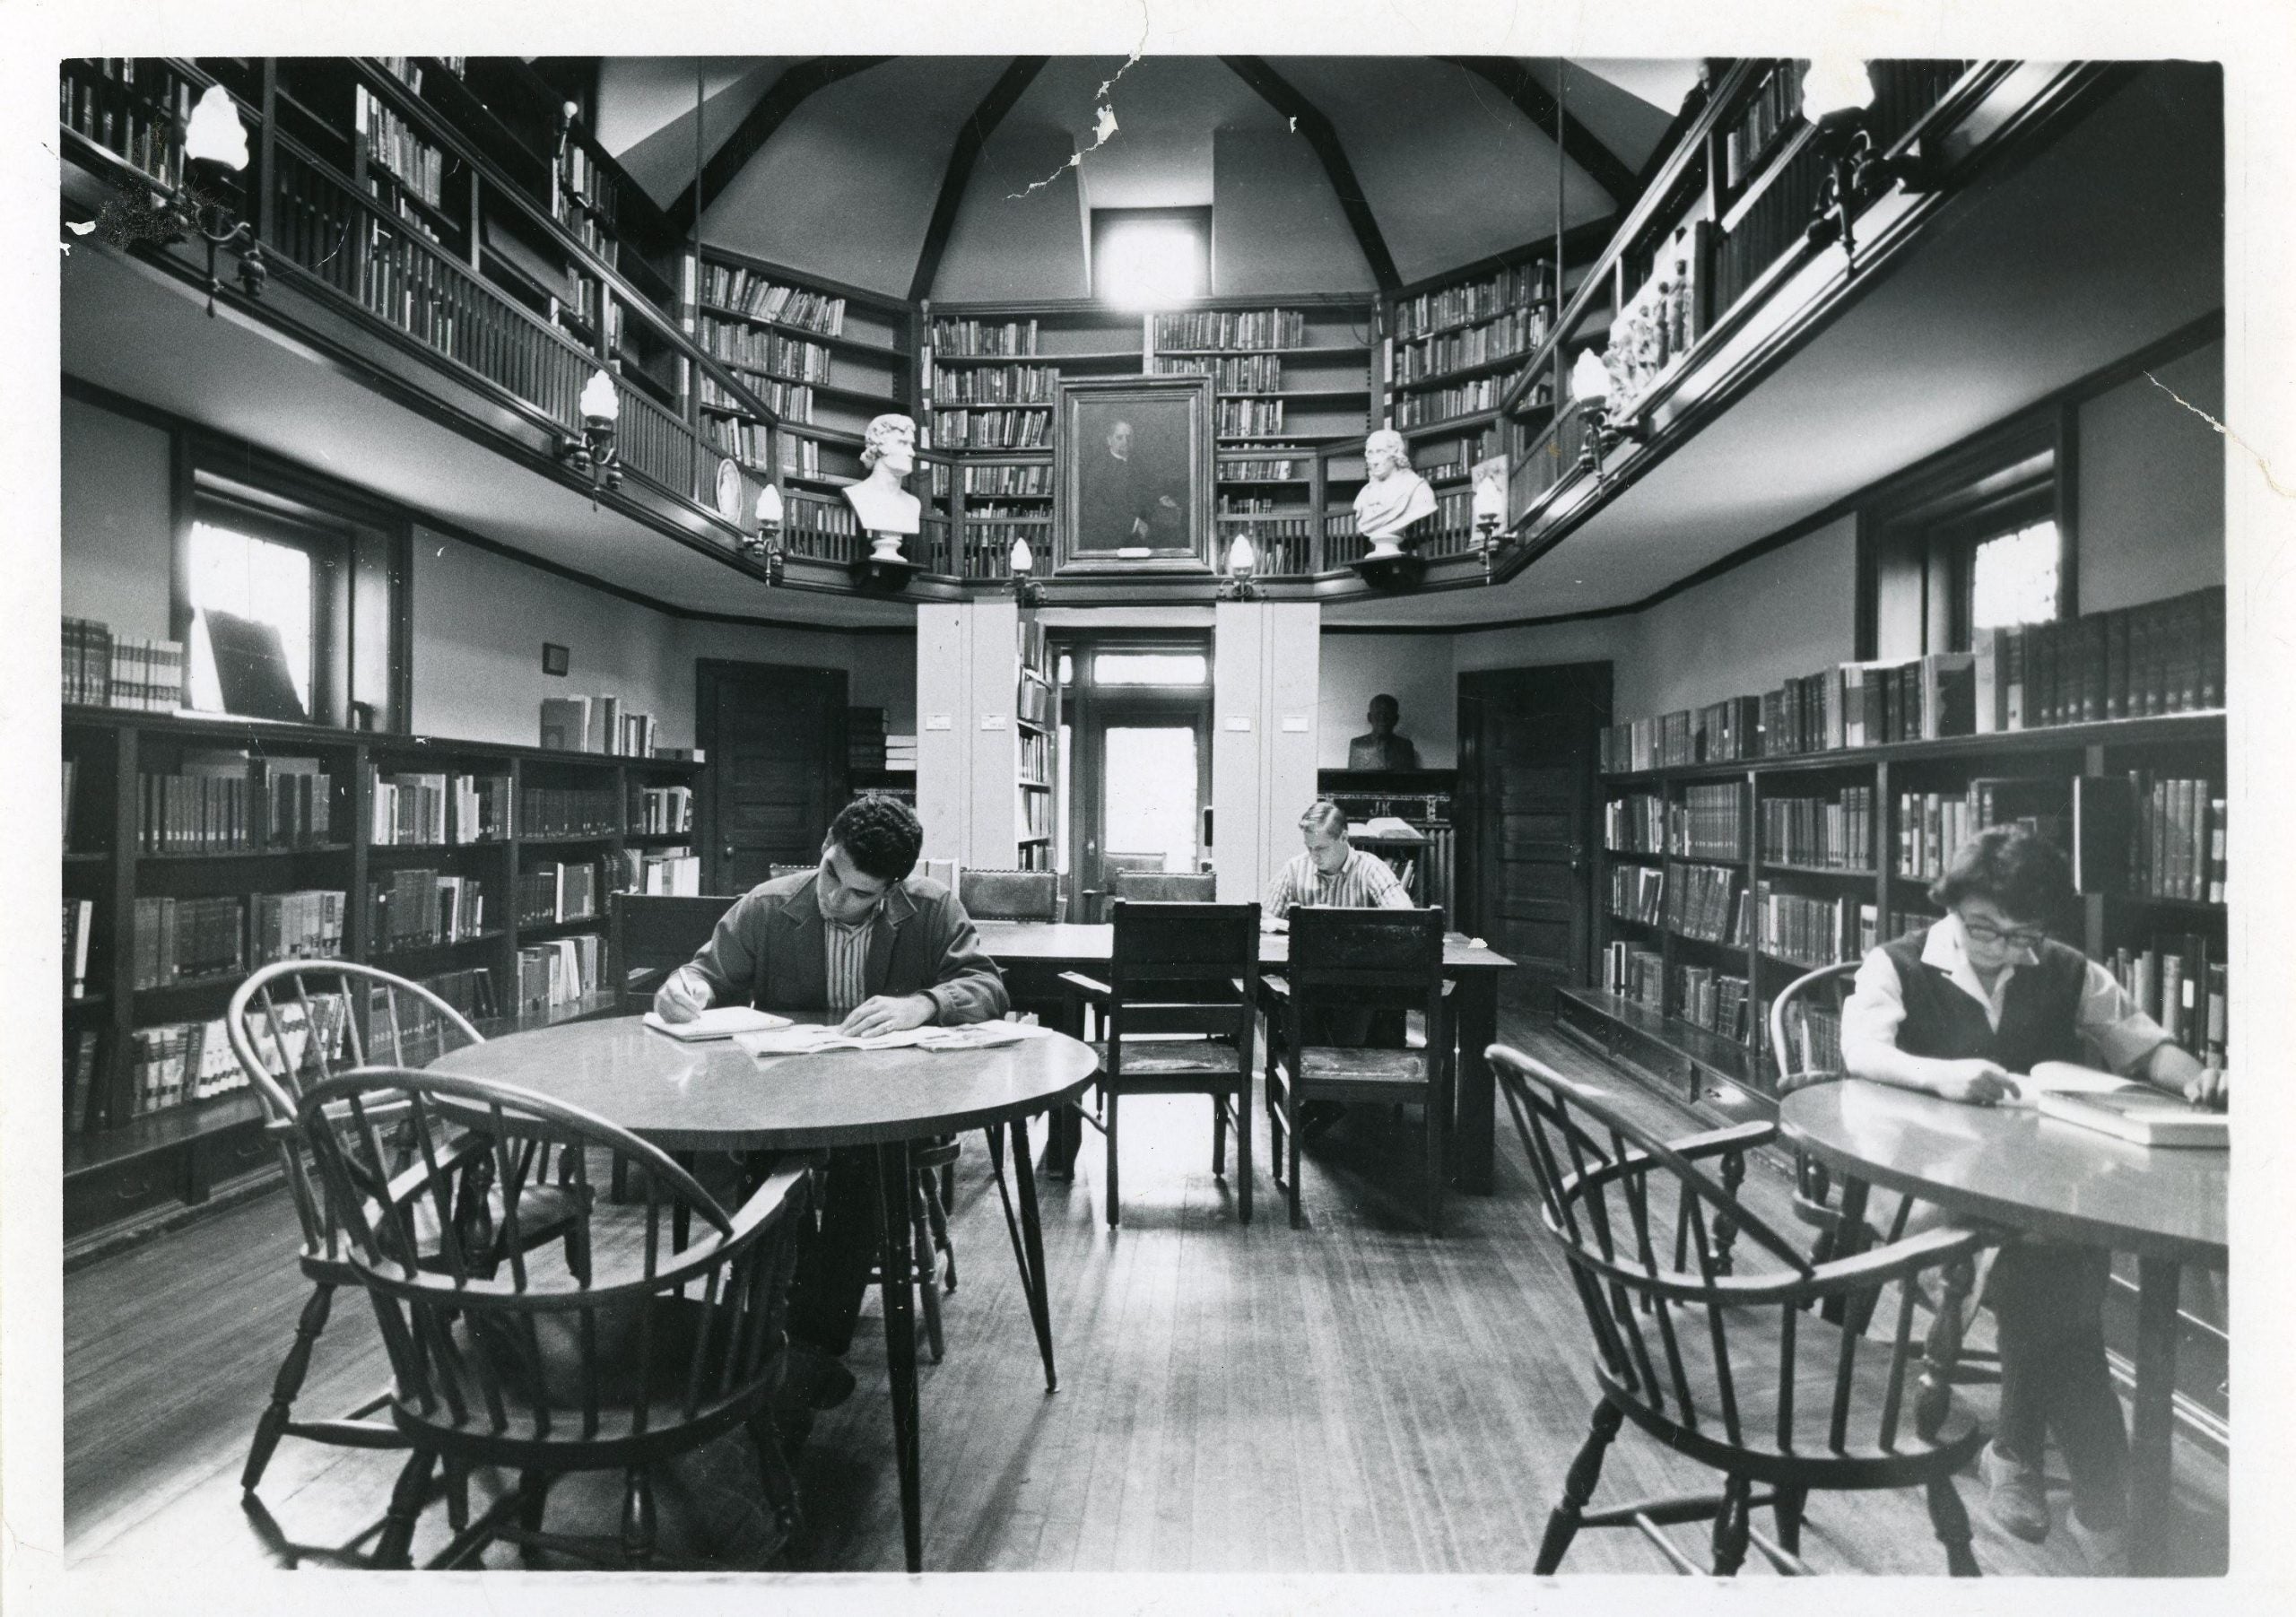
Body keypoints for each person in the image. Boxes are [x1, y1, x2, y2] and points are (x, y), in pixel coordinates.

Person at [1838, 825, 2218, 1568]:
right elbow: (1861, 1052)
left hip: (2032, 1189)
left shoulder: (2066, 968)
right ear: (1952, 906)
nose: (2005, 948)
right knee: (2054, 1264)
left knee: (2051, 1248)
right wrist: (1944, 1075)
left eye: (2024, 936)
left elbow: (2141, 1044)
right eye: (1986, 928)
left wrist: (2193, 1076)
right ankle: (2102, 1494)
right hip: (1922, 1187)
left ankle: (2021, 1453)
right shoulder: (1897, 964)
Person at [653, 795, 1008, 1432]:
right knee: (766, 1171)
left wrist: (922, 1004)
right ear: (824, 845)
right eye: (830, 873)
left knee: (867, 1172)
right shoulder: (769, 905)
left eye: (858, 893)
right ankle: (765, 1330)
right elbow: (704, 974)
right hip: (785, 1092)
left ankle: (806, 1348)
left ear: (891, 888)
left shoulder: (930, 908)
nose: (835, 898)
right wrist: (688, 989)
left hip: (889, 1099)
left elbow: (988, 986)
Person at [1081, 416, 1182, 548]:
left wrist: (1162, 498)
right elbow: (1094, 508)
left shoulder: (1139, 463)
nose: (1125, 442)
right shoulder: (1098, 468)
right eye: (1119, 437)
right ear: (1109, 440)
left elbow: (1150, 488)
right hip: (1110, 538)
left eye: (1129, 437)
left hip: (1144, 533)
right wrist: (1133, 524)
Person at [1352, 428, 1437, 558]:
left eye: (1380, 452)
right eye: (1370, 453)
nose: (1374, 461)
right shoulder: (1364, 495)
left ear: (1396, 454)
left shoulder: (1417, 489)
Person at [1347, 693, 1422, 771]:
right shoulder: (1357, 745)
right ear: (1369, 718)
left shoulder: (1406, 746)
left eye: (1388, 714)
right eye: (1378, 714)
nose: (1382, 718)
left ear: (1396, 719)